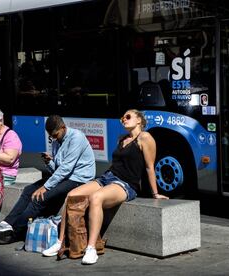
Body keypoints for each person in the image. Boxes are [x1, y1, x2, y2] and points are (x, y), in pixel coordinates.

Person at [42, 109, 168, 265]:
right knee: (71, 195)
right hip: (107, 177)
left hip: (126, 184)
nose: (124, 119)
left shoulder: (146, 138)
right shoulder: (121, 138)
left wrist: (155, 193)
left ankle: (91, 248)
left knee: (96, 198)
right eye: (123, 117)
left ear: (139, 120)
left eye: (128, 116)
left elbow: (150, 167)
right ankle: (60, 242)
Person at [0, 115, 96, 243]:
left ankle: (13, 233)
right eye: (51, 136)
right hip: (65, 177)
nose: (53, 138)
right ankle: (6, 224)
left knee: (40, 197)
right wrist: (49, 163)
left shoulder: (76, 138)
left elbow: (66, 169)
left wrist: (45, 187)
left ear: (63, 128)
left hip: (78, 179)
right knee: (28, 190)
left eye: (55, 135)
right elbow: (57, 169)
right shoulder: (57, 140)